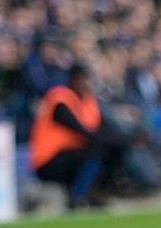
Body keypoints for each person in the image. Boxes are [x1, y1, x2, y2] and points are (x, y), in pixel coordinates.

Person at [28, 62, 128, 208]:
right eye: (84, 78)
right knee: (96, 150)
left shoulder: (88, 100)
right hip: (48, 159)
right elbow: (80, 130)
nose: (88, 83)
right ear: (74, 79)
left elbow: (102, 127)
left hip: (72, 154)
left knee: (112, 148)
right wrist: (113, 139)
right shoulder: (60, 98)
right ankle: (78, 196)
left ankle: (95, 191)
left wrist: (123, 139)